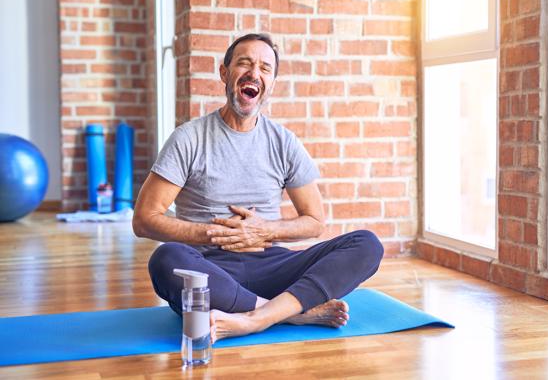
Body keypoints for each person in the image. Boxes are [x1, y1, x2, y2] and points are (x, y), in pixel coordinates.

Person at [133, 33, 383, 342]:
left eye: (265, 68)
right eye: (244, 63)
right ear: (224, 73)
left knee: (367, 244)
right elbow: (144, 219)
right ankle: (292, 314)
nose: (254, 73)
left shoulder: (284, 142)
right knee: (166, 260)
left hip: (273, 265)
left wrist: (263, 231)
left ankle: (256, 318)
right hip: (211, 269)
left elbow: (315, 222)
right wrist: (215, 234)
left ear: (272, 83)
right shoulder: (189, 139)